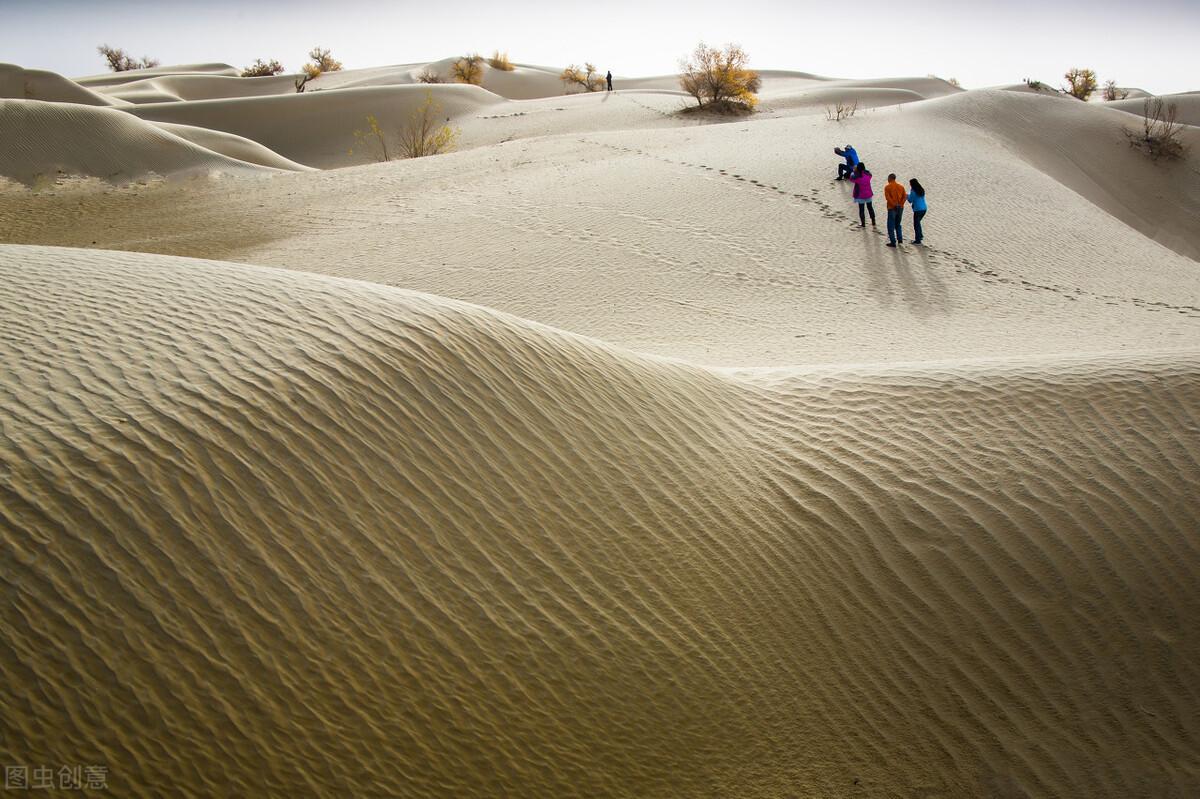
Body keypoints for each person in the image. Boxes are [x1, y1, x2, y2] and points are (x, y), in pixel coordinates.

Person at [848, 162, 875, 227]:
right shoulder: (868, 175)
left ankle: (863, 224)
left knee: (861, 209)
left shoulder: (857, 176)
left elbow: (851, 179)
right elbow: (870, 174)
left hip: (860, 195)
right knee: (870, 208)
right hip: (868, 194)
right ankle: (873, 221)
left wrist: (854, 171)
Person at [883, 173, 907, 247]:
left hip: (892, 208)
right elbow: (905, 196)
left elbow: (888, 198)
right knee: (898, 224)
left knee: (890, 225)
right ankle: (900, 239)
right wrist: (900, 204)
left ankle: (893, 241)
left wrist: (894, 205)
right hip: (900, 207)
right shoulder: (901, 187)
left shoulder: (887, 187)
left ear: (890, 178)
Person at [908, 178, 927, 244]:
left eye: (910, 184)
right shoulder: (921, 190)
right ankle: (920, 236)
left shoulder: (913, 191)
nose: (910, 185)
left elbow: (910, 200)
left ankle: (918, 240)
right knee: (918, 223)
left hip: (918, 210)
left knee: (916, 224)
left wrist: (906, 195)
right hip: (924, 209)